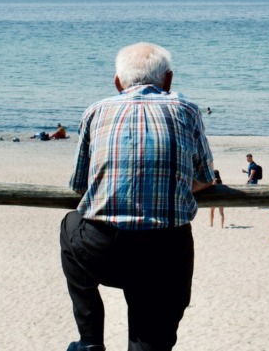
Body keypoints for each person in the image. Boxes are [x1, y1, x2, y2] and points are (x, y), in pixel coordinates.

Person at [61, 42, 214, 351]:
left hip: (102, 250)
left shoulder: (96, 111)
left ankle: (90, 339)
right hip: (164, 251)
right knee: (152, 333)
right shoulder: (186, 109)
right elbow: (205, 178)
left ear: (118, 82)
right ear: (168, 79)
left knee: (70, 224)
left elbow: (79, 185)